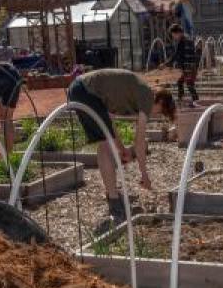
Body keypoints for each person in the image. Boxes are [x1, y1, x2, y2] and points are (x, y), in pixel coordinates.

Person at [65, 68, 176, 225]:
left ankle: (112, 194)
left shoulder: (133, 95)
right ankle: (114, 201)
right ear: (160, 102)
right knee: (105, 145)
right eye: (160, 112)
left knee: (105, 140)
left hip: (79, 90)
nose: (156, 115)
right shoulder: (147, 97)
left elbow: (109, 122)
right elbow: (139, 144)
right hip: (85, 92)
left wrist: (122, 149)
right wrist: (144, 176)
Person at [165, 22, 200, 105]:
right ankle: (181, 98)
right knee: (180, 82)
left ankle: (196, 101)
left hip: (189, 66)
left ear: (178, 32)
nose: (173, 37)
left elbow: (182, 55)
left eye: (173, 34)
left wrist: (166, 63)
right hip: (187, 66)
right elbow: (177, 54)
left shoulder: (185, 40)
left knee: (190, 84)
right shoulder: (183, 39)